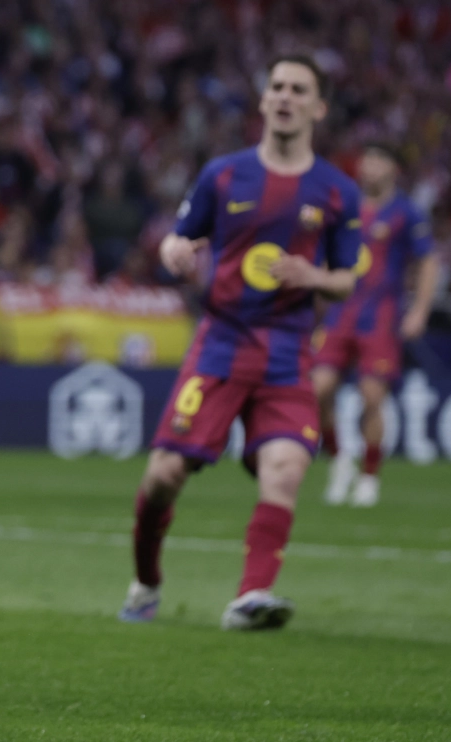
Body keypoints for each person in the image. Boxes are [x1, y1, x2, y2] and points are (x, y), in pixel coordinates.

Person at [119, 55, 361, 631]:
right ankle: (147, 581)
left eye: (298, 89)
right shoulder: (224, 174)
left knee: (285, 469)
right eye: (277, 86)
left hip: (287, 352)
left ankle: (251, 596)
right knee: (163, 476)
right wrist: (175, 251)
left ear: (318, 107)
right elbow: (179, 237)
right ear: (263, 100)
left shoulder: (337, 191)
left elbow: (347, 278)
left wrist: (312, 275)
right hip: (221, 344)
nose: (285, 96)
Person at [312, 143, 438, 507]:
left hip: (380, 318)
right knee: (318, 390)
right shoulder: (345, 207)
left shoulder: (406, 213)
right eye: (366, 160)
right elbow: (327, 254)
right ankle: (339, 461)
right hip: (340, 314)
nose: (369, 166)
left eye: (379, 160)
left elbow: (428, 261)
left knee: (371, 396)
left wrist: (420, 311)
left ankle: (369, 477)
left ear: (393, 169)